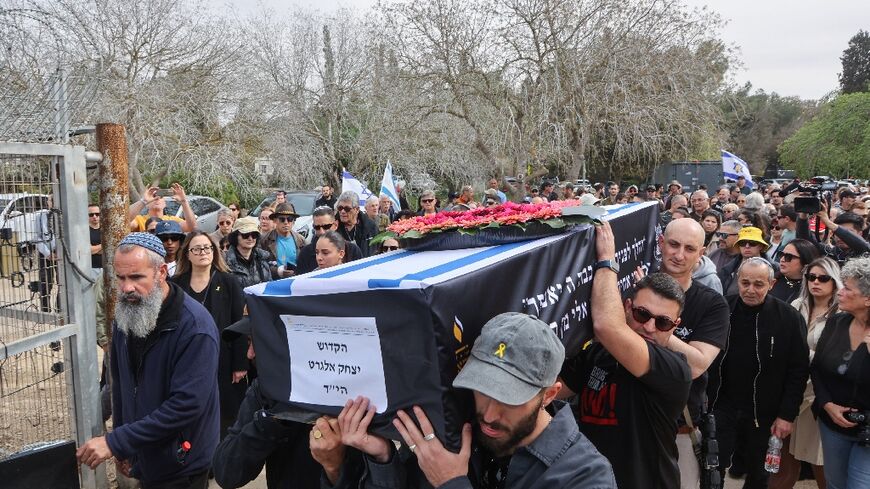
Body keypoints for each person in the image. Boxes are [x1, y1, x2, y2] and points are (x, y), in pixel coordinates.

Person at [350, 312, 617, 489]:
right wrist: (383, 459)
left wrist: (452, 483)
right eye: (482, 390)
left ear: (549, 394)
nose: (489, 415)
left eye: (509, 399)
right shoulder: (455, 433)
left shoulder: (586, 476)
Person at [76, 233, 219, 488]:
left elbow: (186, 405)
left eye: (136, 277)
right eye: (120, 278)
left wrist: (116, 441)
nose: (127, 287)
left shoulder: (195, 328)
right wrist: (125, 447)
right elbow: (120, 385)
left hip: (181, 464)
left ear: (161, 272)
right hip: (143, 454)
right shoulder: (125, 315)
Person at [559, 222, 691, 489]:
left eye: (663, 322)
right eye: (643, 314)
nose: (650, 327)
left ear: (675, 326)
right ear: (628, 307)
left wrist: (607, 261)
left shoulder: (675, 370)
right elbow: (554, 389)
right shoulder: (599, 352)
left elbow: (607, 325)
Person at [707, 257, 810, 488]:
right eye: (745, 283)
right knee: (713, 466)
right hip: (723, 404)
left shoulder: (788, 318)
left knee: (759, 474)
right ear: (737, 280)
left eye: (758, 284)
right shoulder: (722, 309)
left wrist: (786, 415)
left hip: (765, 413)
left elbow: (798, 370)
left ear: (771, 284)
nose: (750, 290)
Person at [650, 218, 729, 487]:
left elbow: (696, 364)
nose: (679, 255)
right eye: (673, 244)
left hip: (680, 426)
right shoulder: (634, 287)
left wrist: (653, 323)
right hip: (628, 420)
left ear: (701, 254)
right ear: (661, 243)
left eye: (689, 248)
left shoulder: (712, 303)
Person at [212, 318, 324, 489]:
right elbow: (227, 472)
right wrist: (271, 419)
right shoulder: (264, 390)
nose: (249, 354)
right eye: (248, 342)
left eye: (256, 342)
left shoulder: (343, 396)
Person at [769, 257, 842, 489]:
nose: (815, 282)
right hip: (791, 393)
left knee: (822, 464)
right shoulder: (797, 305)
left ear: (835, 281)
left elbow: (835, 356)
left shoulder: (841, 314)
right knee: (782, 461)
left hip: (819, 397)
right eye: (811, 277)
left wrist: (802, 355)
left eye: (823, 278)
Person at [172, 231, 247, 439]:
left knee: (225, 413)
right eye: (196, 249)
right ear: (187, 254)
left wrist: (240, 364)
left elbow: (239, 323)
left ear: (214, 252)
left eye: (207, 248)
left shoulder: (229, 281)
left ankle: (218, 461)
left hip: (223, 357)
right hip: (188, 358)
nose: (203, 252)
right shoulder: (176, 284)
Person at [810, 256, 870, 489]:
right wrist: (826, 404)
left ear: (867, 299)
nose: (840, 292)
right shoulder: (836, 323)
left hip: (867, 433)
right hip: (832, 425)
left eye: (847, 288)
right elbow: (817, 368)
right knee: (835, 484)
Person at [296, 207, 363, 275]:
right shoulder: (305, 253)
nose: (322, 231)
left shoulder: (353, 250)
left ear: (335, 225)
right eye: (317, 227)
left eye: (326, 227)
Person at [797, 204, 870, 265]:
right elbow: (806, 240)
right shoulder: (830, 252)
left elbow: (864, 246)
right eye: (837, 233)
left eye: (848, 232)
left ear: (860, 234)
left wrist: (828, 222)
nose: (841, 237)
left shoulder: (864, 254)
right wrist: (803, 217)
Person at [719, 226, 772, 295]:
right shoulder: (727, 270)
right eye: (742, 243)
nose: (747, 246)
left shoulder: (775, 270)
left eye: (752, 243)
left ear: (761, 246)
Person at [260, 202, 305, 279]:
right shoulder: (264, 240)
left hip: (295, 282)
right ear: (275, 220)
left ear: (293, 222)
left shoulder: (301, 240)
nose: (286, 222)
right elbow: (260, 265)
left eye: (290, 219)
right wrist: (278, 271)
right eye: (282, 219)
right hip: (273, 283)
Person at [224, 216, 272, 288]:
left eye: (254, 235)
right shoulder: (225, 262)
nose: (250, 238)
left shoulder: (262, 258)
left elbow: (269, 285)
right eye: (245, 235)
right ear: (235, 236)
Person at [128, 184, 197, 233]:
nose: (157, 198)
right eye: (154, 196)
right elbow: (124, 220)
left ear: (165, 203)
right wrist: (143, 201)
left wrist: (184, 201)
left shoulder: (172, 221)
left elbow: (192, 227)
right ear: (147, 205)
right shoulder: (140, 220)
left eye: (160, 196)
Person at [771, 239, 820, 303]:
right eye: (781, 254)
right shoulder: (771, 280)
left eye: (788, 257)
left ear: (805, 260)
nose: (782, 259)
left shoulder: (812, 287)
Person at [335, 191, 378, 257]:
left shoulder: (371, 227)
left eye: (347, 209)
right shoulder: (333, 227)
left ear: (357, 209)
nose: (342, 212)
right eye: (340, 208)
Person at [88, 203, 103, 270]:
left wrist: (95, 249)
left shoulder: (106, 229)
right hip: (91, 269)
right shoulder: (84, 231)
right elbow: (88, 250)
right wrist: (105, 245)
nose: (94, 216)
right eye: (91, 215)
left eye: (97, 214)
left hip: (107, 267)